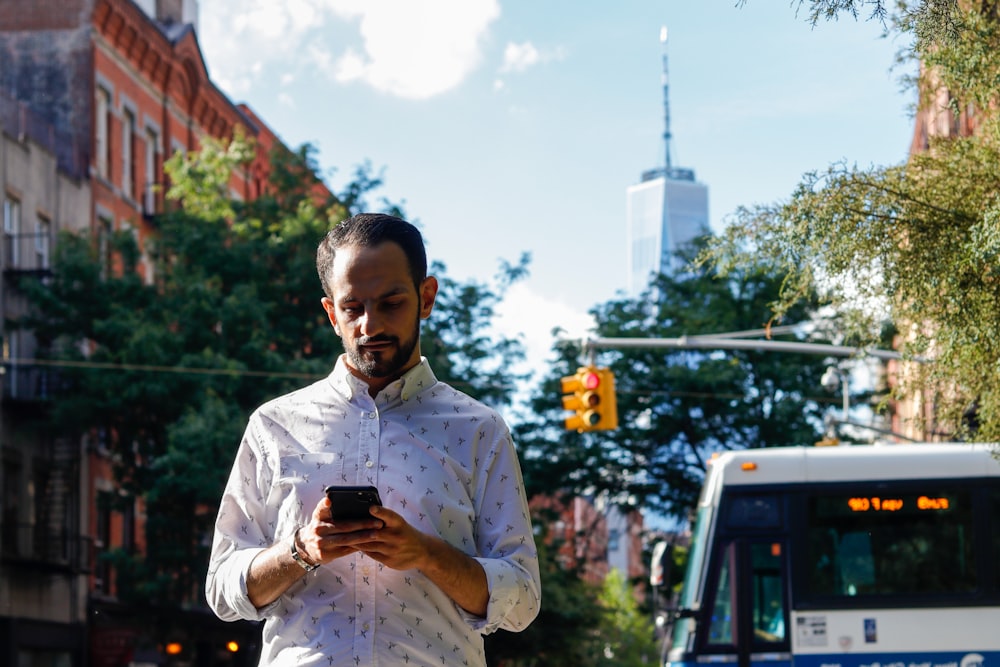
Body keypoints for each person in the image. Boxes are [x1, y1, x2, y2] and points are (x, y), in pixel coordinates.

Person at [205, 213, 541, 666]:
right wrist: (302, 549)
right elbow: (223, 591)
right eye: (352, 307)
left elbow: (521, 599)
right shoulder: (274, 425)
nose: (370, 324)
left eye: (390, 303)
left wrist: (425, 553)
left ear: (426, 298)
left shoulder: (479, 430)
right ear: (330, 313)